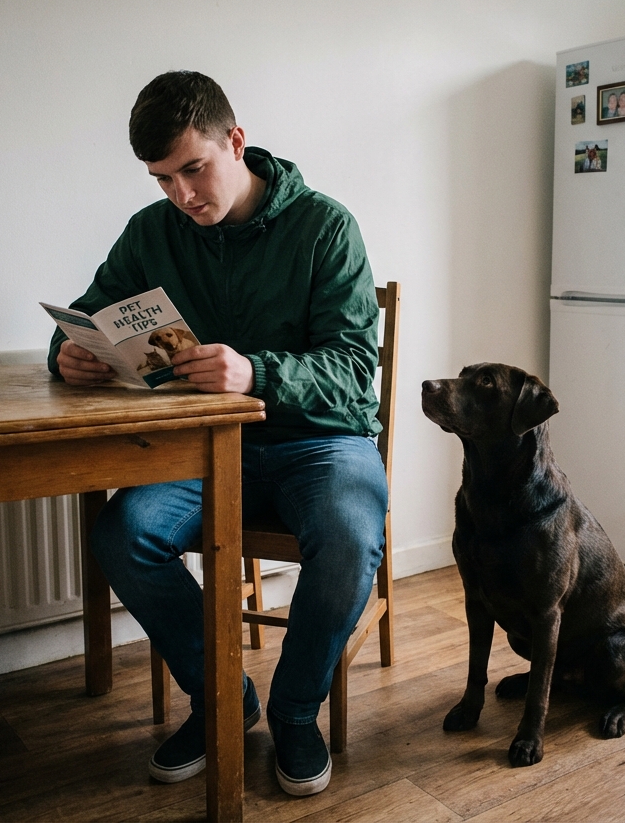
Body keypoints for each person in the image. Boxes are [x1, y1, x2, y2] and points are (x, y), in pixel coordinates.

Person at [48, 71, 388, 798]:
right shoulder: (151, 231)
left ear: (236, 141)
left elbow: (356, 374)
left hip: (319, 441)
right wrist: (69, 354)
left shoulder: (327, 227)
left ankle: (298, 711)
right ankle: (223, 701)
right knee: (122, 534)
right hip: (200, 445)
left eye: (193, 169)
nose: (181, 195)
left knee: (350, 539)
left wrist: (256, 373)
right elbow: (87, 312)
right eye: (162, 178)